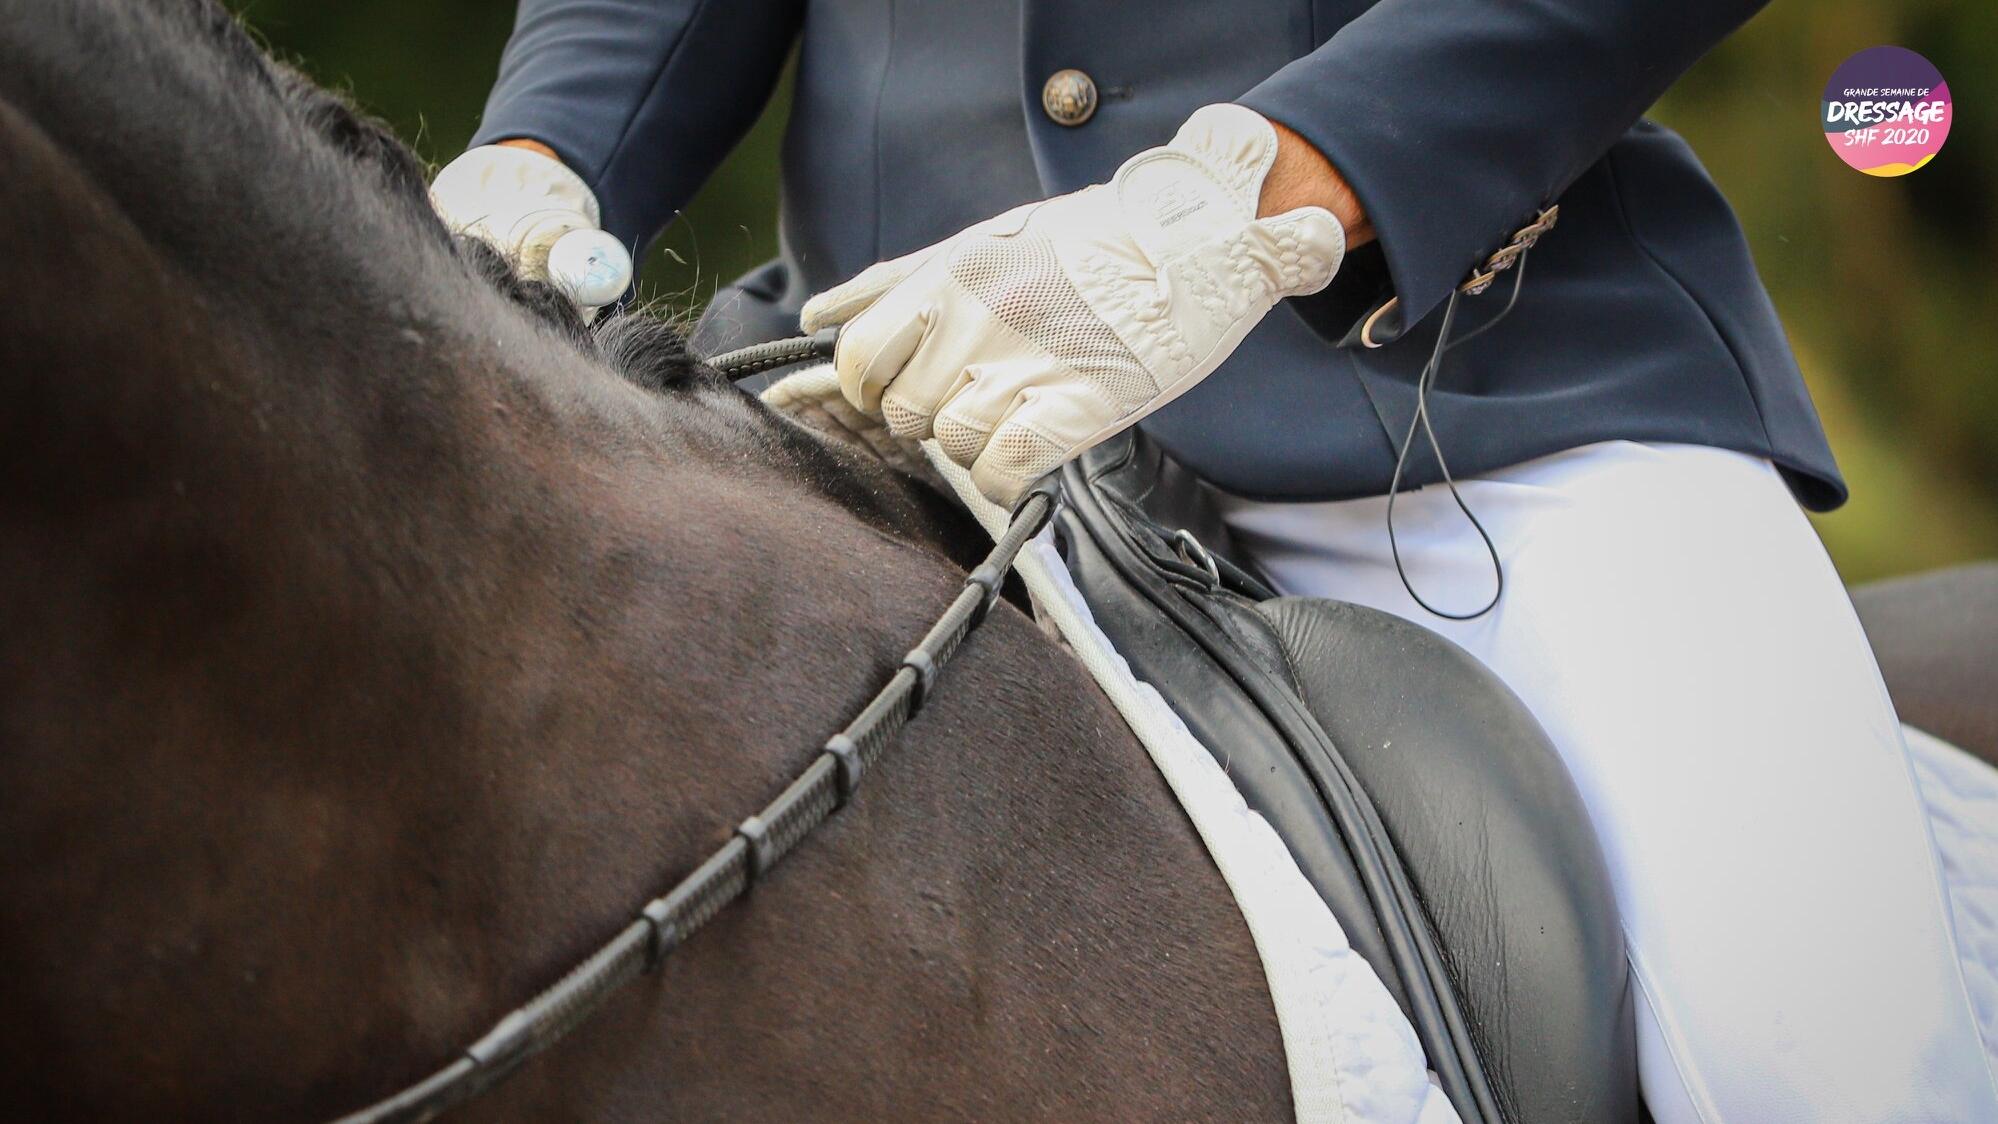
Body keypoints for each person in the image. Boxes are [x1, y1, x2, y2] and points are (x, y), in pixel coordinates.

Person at [431, 1, 1997, 1117]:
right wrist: (546, 159)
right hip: (896, 373)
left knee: (1823, 1044)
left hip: (1456, 385)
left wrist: (1254, 202)